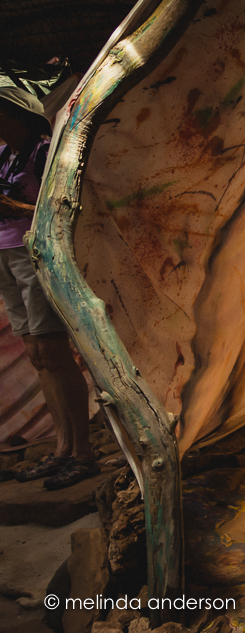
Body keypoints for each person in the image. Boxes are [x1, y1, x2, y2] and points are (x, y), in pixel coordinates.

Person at [0, 85, 98, 490]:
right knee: (38, 356)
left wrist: (16, 208)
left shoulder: (42, 153)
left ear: (17, 116)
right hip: (5, 257)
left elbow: (61, 207)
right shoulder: (4, 155)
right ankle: (62, 449)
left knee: (54, 351)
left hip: (34, 253)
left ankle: (83, 453)